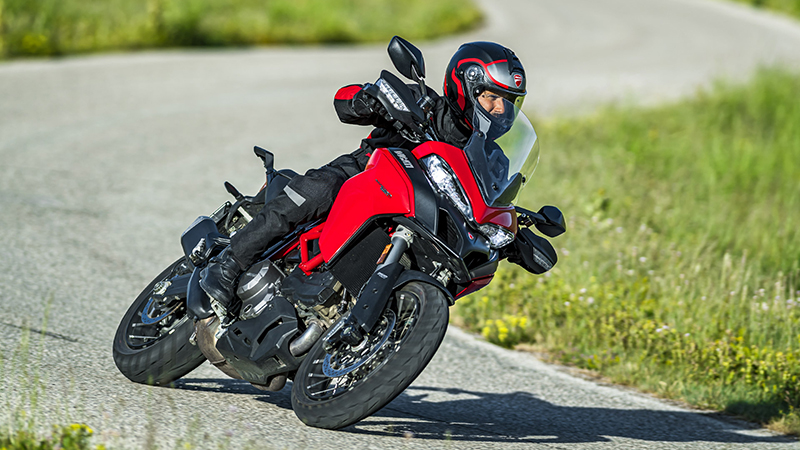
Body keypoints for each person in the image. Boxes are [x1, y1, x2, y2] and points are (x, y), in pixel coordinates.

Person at [200, 41, 528, 315]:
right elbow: (344, 100)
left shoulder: (494, 159)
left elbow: (490, 200)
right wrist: (368, 100)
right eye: (491, 97)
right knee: (319, 191)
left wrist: (514, 231)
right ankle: (228, 262)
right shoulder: (425, 104)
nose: (501, 109)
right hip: (365, 173)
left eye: (509, 102)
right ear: (464, 86)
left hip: (420, 214)